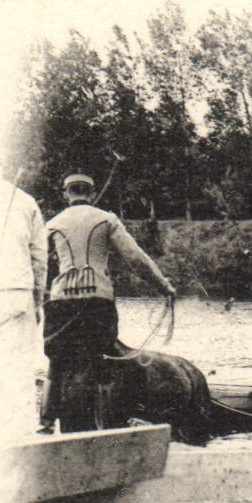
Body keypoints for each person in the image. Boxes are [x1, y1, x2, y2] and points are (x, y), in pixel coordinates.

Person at [40, 172, 176, 432]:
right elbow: (136, 259)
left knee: (57, 361)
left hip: (60, 303)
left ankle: (45, 422)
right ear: (91, 194)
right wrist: (164, 287)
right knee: (110, 358)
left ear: (66, 194)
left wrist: (39, 295)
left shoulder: (53, 224)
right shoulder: (106, 219)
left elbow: (38, 263)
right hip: (97, 301)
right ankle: (122, 417)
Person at [0, 167, 45, 430]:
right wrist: (38, 302)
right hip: (16, 291)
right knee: (18, 368)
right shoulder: (25, 201)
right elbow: (39, 258)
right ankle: (21, 433)